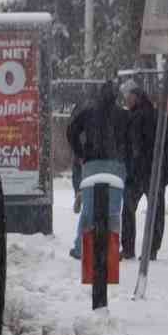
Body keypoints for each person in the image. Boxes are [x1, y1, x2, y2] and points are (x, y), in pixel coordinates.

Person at [66, 79, 130, 260]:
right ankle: (111, 250)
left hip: (92, 164)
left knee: (89, 210)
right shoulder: (122, 115)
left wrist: (80, 152)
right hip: (116, 165)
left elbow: (71, 131)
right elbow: (132, 138)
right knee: (113, 211)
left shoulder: (89, 113)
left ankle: (81, 248)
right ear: (115, 96)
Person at [122, 86, 168, 260]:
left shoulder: (132, 118)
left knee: (128, 209)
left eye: (129, 98)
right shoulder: (161, 118)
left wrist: (129, 167)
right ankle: (152, 249)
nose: (127, 102)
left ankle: (128, 247)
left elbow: (129, 146)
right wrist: (167, 171)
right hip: (155, 171)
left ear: (137, 98)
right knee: (156, 211)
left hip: (137, 172)